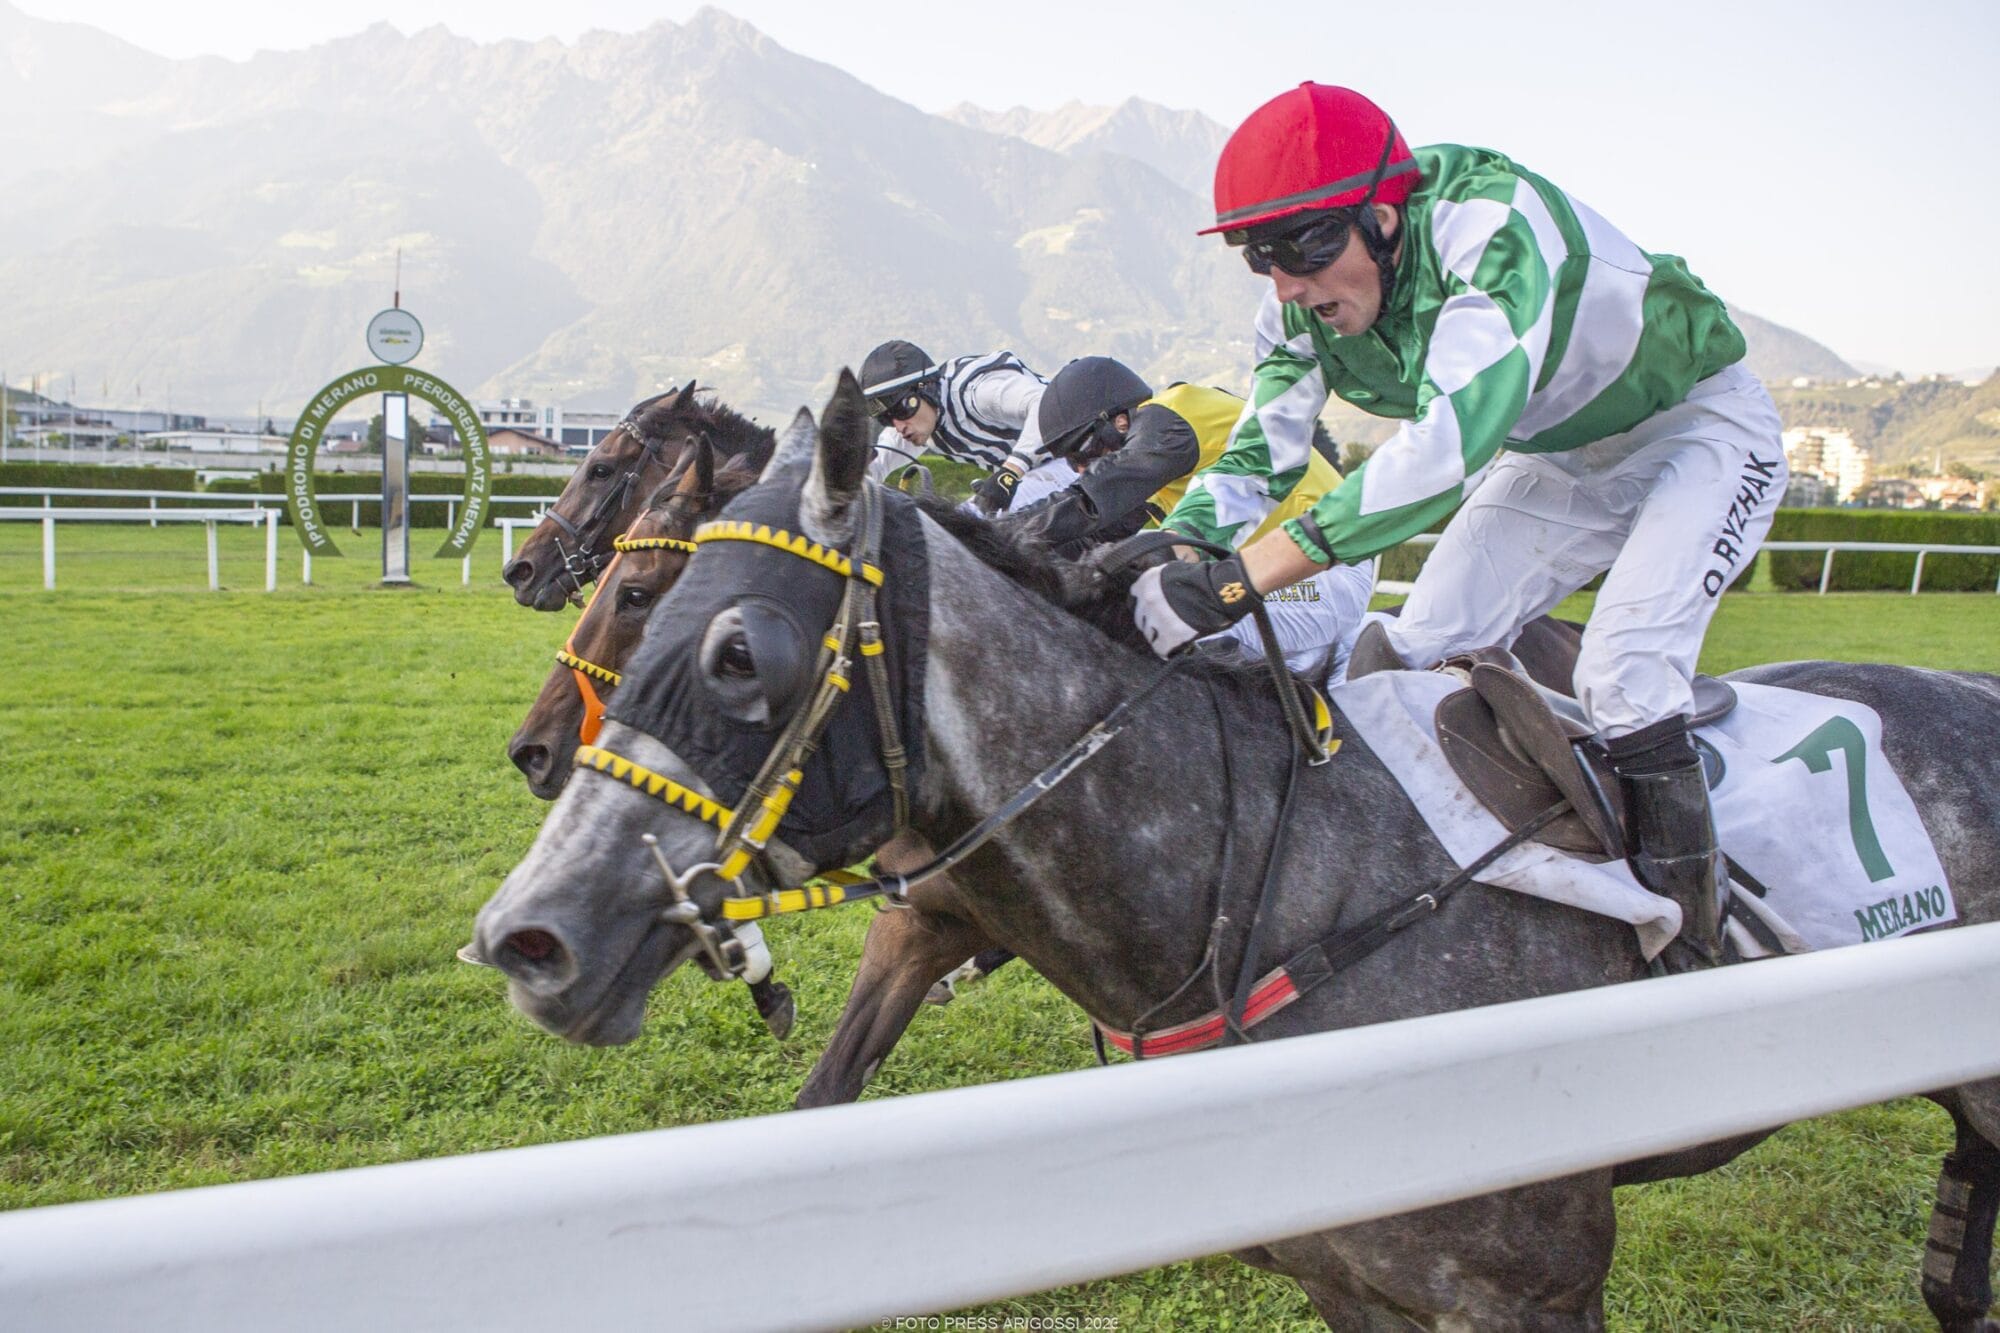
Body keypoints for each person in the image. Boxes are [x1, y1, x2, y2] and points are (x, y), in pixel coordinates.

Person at [1129, 83, 1787, 965]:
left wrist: (1239, 579)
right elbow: (1260, 456)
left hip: (1699, 430)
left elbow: (1444, 451)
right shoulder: (1295, 306)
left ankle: (1697, 943)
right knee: (1404, 649)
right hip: (1556, 456)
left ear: (1387, 215)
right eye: (1261, 256)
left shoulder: (1493, 224)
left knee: (1626, 674)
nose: (1288, 281)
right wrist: (1168, 550)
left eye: (1309, 245)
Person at [1004, 354, 1376, 678]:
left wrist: (994, 539)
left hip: (1325, 571)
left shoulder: (1169, 419)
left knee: (1173, 621)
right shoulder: (1166, 461)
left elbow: (1088, 503)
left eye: (1082, 452)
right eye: (1071, 462)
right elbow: (1094, 537)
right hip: (1291, 569)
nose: (1082, 468)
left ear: (1118, 421)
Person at [858, 340, 1067, 513]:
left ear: (927, 388)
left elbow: (1045, 404)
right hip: (1044, 476)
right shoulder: (922, 420)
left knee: (969, 521)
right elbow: (875, 468)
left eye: (902, 409)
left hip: (1079, 459)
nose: (899, 426)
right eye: (886, 419)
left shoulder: (976, 392)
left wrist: (1009, 473)